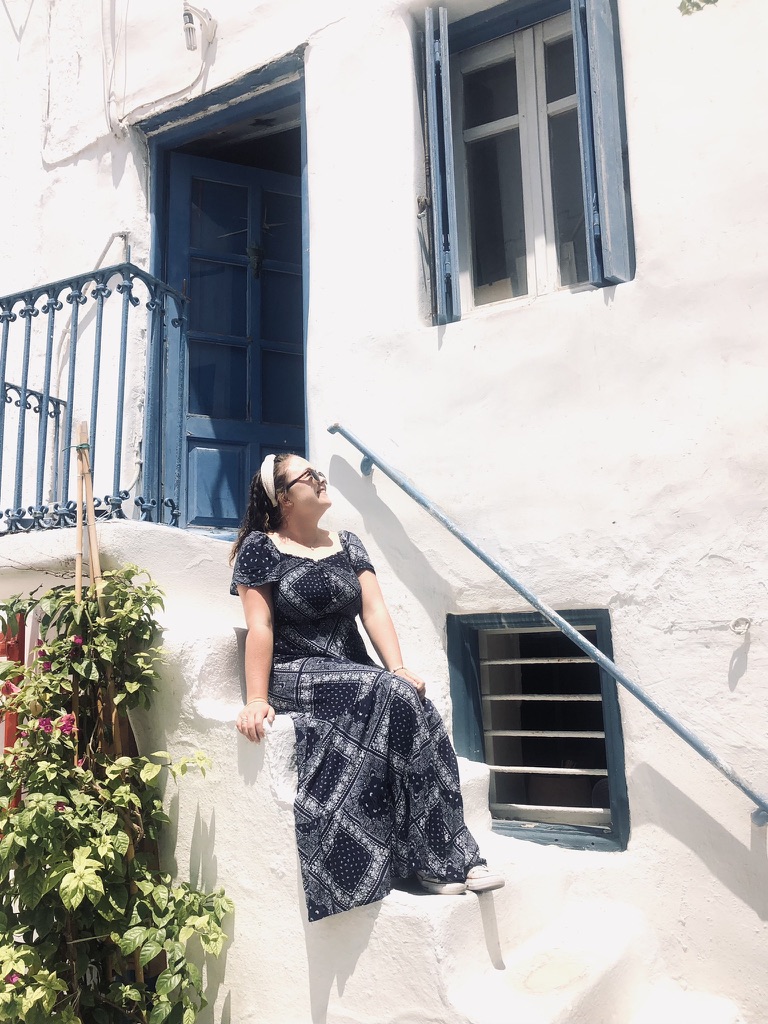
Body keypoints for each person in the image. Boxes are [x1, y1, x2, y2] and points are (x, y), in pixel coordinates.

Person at [230, 452, 503, 922]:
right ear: (282, 499)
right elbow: (262, 626)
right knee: (388, 695)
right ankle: (437, 861)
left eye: (318, 472)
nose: (319, 479)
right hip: (296, 672)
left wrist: (396, 666)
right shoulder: (262, 548)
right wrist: (256, 698)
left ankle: (450, 852)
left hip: (352, 670)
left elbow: (373, 610)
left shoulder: (349, 543)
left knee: (411, 697)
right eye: (307, 476)